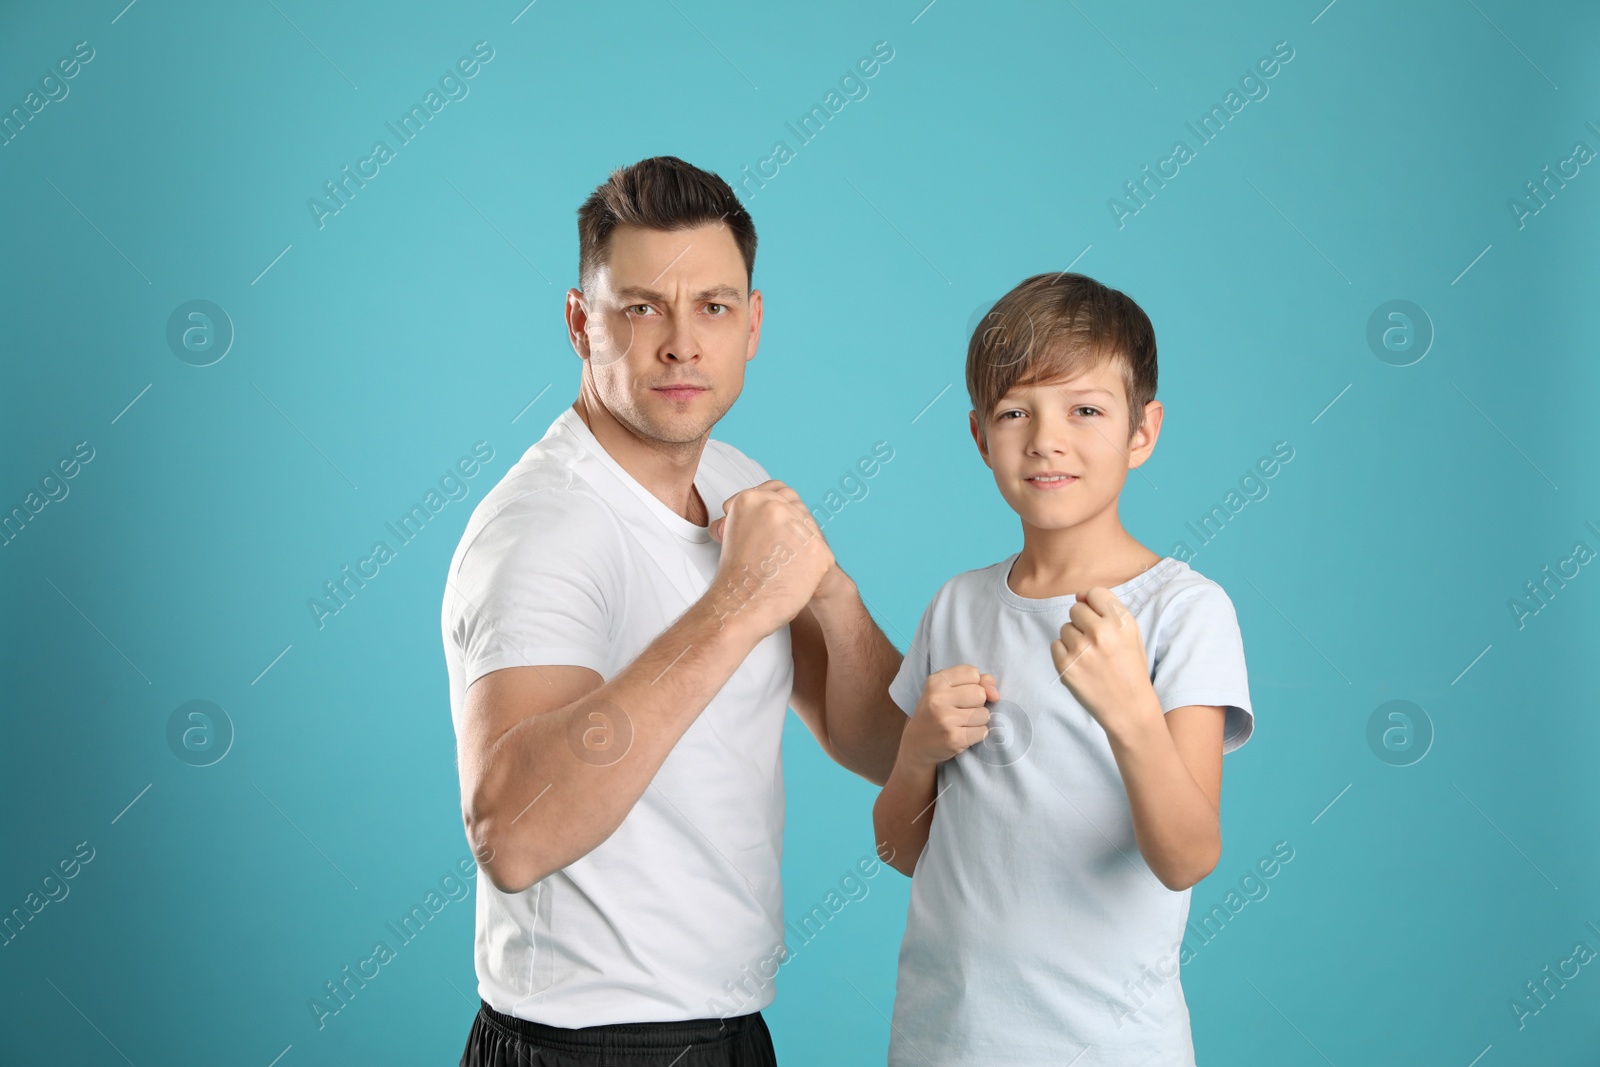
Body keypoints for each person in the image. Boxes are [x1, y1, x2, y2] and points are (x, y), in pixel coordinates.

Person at [441, 156, 906, 1067]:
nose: (683, 343)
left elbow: (880, 741)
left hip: (729, 1027)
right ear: (582, 323)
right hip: (583, 1044)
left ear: (754, 323)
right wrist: (735, 605)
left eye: (714, 308)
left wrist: (830, 591)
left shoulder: (733, 479)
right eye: (643, 307)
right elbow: (513, 832)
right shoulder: (544, 529)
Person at [871, 272, 1254, 1065]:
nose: (1046, 438)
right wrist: (916, 752)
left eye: (1085, 409)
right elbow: (902, 850)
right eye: (1016, 412)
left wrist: (1130, 711)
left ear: (1142, 431)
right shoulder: (956, 606)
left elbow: (1186, 856)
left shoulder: (1184, 610)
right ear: (980, 437)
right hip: (943, 1042)